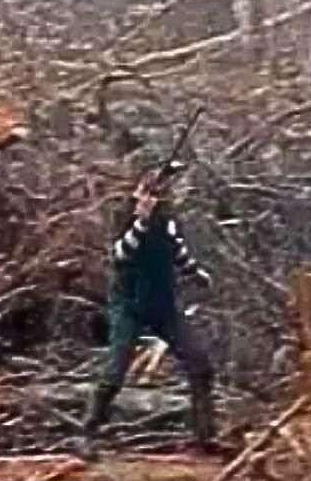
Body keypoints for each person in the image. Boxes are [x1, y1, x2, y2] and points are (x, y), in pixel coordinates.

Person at [80, 161, 216, 456]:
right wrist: (140, 221)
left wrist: (195, 272)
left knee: (200, 364)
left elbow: (176, 249)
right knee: (115, 372)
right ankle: (88, 433)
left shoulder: (167, 219)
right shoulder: (124, 214)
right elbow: (119, 255)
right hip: (129, 305)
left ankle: (204, 437)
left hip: (163, 306)